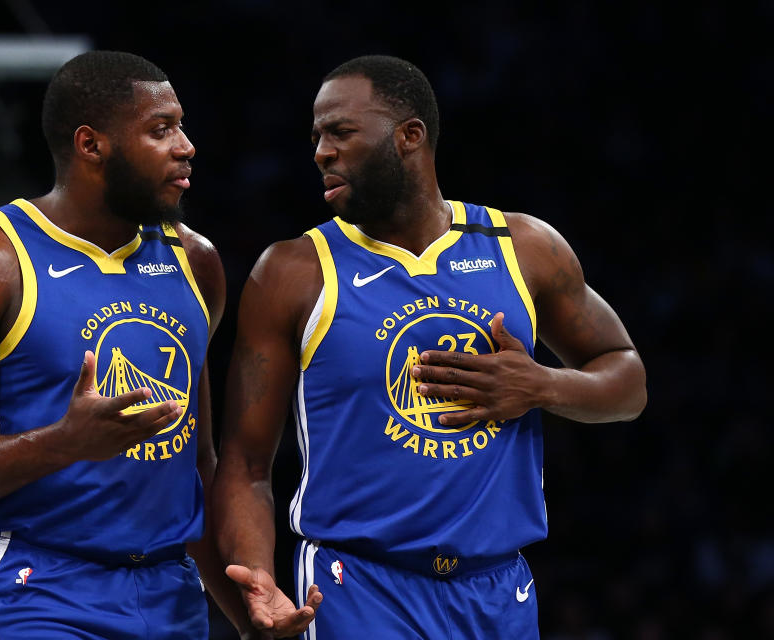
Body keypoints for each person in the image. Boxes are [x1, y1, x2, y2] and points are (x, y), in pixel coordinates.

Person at [213, 55, 647, 639]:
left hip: (499, 588)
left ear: (410, 136)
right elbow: (244, 463)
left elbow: (628, 381)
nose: (320, 152)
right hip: (356, 587)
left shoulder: (523, 247)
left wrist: (541, 385)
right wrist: (260, 577)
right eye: (316, 137)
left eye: (340, 132)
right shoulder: (293, 272)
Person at [0, 51, 254, 639]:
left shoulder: (197, 264)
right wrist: (64, 443)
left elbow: (197, 465)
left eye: (182, 126)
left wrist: (248, 617)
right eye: (160, 129)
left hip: (170, 595)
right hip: (38, 589)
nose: (186, 146)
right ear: (91, 145)